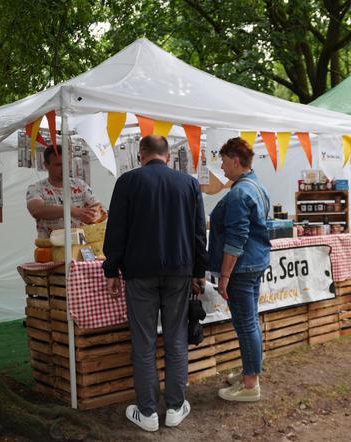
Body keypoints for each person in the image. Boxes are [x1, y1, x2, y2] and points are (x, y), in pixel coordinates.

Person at [102, 135, 207, 432]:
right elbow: (199, 232)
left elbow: (116, 231)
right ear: (168, 156)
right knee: (175, 339)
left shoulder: (127, 182)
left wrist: (111, 270)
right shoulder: (188, 184)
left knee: (144, 342)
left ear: (141, 155)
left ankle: (147, 412)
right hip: (180, 272)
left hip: (139, 273)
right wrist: (200, 269)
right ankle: (175, 407)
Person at [208, 137, 271, 402]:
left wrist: (224, 276)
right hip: (254, 263)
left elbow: (236, 240)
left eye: (223, 161)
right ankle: (250, 371)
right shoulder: (256, 186)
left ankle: (250, 385)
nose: (221, 168)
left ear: (235, 160)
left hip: (242, 269)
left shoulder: (239, 193)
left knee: (245, 325)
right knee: (250, 323)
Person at [26, 145, 102, 238]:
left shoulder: (80, 184)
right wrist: (71, 211)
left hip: (79, 246)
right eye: (58, 165)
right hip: (50, 248)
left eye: (66, 163)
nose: (64, 168)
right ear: (46, 165)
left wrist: (94, 215)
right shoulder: (36, 188)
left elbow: (97, 206)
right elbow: (36, 210)